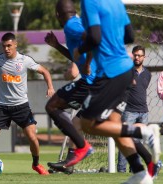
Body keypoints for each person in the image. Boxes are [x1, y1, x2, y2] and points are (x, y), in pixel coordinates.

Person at [71, 0, 162, 183]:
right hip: (125, 70)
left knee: (85, 123)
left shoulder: (89, 2)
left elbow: (94, 38)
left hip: (110, 73)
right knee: (114, 123)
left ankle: (145, 132)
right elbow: (129, 36)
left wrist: (79, 50)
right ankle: (139, 171)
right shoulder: (116, 3)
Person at [0, 32, 55, 176]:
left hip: (21, 106)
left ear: (15, 45)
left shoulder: (25, 60)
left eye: (9, 46)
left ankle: (36, 164)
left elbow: (44, 71)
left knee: (32, 137)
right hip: (2, 106)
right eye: (4, 46)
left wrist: (50, 87)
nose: (6, 49)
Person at [44, 0, 97, 173]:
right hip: (99, 82)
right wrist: (57, 45)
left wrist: (88, 63)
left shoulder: (71, 26)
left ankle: (83, 147)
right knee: (76, 123)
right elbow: (76, 56)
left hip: (90, 81)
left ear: (57, 15)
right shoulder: (78, 22)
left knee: (52, 105)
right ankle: (70, 162)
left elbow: (92, 40)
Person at [117, 45, 158, 176]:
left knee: (139, 143)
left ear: (144, 57)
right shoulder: (126, 71)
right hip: (129, 111)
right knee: (125, 140)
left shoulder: (147, 73)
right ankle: (121, 170)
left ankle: (136, 169)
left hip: (143, 112)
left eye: (140, 55)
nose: (137, 57)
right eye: (135, 55)